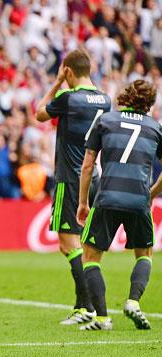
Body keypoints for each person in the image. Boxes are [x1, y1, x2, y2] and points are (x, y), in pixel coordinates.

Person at [77, 80, 161, 331]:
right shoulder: (156, 128)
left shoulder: (105, 121)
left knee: (90, 256)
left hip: (108, 196)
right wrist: (152, 193)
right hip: (138, 198)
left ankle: (102, 318)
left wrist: (83, 202)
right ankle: (133, 301)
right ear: (149, 104)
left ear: (125, 96)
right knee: (145, 254)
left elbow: (88, 165)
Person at [36, 49, 112, 325]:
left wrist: (56, 85)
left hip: (70, 178)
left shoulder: (69, 97)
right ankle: (83, 305)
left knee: (68, 243)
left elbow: (39, 114)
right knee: (83, 243)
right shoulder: (105, 100)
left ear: (67, 70)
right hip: (95, 177)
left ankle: (89, 306)